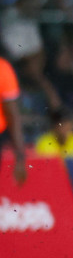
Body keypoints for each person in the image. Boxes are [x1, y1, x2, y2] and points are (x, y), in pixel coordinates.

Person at [0, 52, 26, 185]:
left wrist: (20, 157)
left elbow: (12, 115)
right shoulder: (3, 68)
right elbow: (12, 115)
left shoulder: (3, 69)